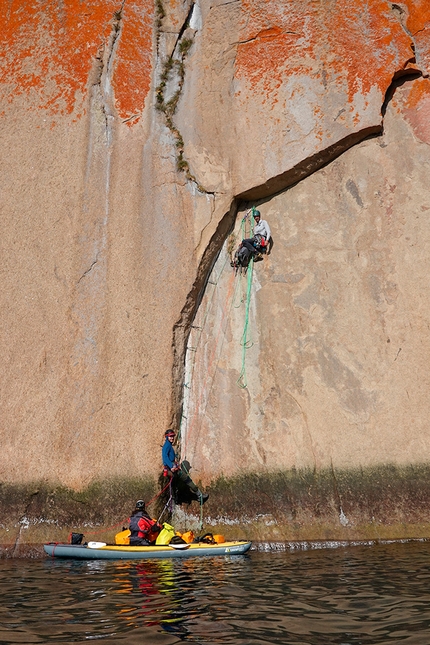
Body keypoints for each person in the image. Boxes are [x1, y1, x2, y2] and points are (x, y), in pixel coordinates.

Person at [161, 430, 209, 505]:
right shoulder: (166, 445)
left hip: (171, 468)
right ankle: (200, 495)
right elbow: (165, 457)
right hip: (172, 469)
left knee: (174, 485)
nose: (172, 438)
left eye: (173, 436)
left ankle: (175, 501)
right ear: (167, 437)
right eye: (170, 436)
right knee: (187, 479)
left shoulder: (168, 445)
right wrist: (172, 466)